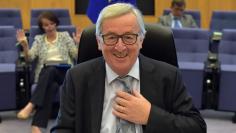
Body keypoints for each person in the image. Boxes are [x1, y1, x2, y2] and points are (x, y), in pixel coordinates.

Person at [51, 3, 206, 133]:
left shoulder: (168, 76)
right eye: (111, 37)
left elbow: (197, 127)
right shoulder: (77, 78)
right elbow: (63, 129)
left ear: (141, 40)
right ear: (99, 41)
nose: (120, 47)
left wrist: (150, 116)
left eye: (128, 37)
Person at [16, 11, 81, 133]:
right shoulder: (39, 39)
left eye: (52, 23)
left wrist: (78, 44)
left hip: (65, 73)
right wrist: (25, 46)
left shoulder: (65, 36)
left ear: (56, 24)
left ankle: (31, 105)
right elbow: (29, 58)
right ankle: (36, 126)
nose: (49, 27)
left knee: (50, 69)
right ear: (42, 27)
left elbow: (76, 56)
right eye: (46, 25)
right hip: (47, 75)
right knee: (52, 86)